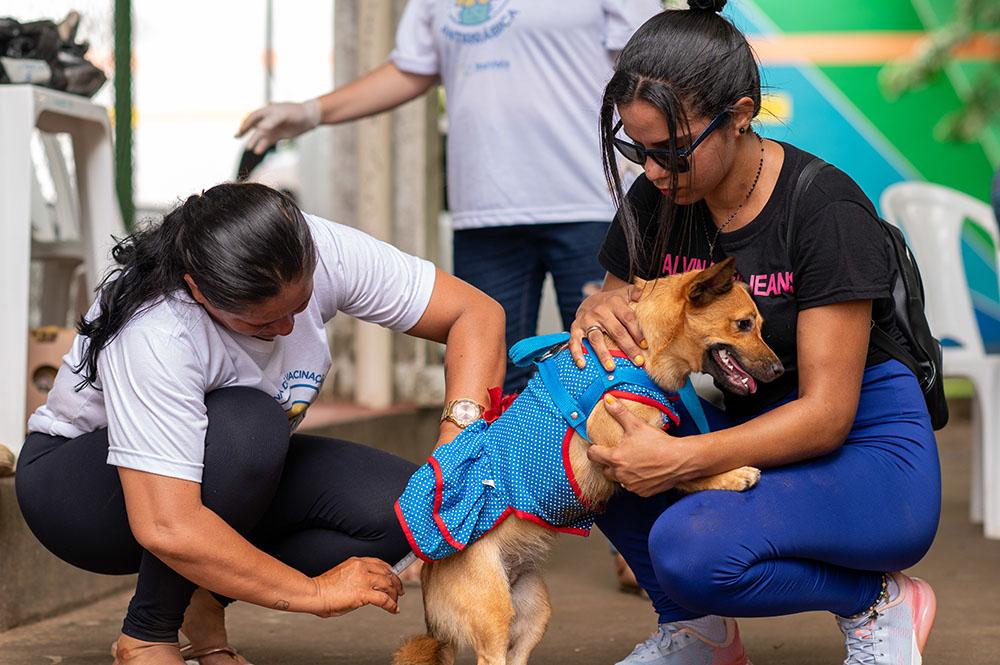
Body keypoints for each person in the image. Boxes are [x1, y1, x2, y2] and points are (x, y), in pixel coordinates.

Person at [568, 2, 941, 664]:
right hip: (746, 422)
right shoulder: (659, 201)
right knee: (586, 438)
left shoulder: (823, 206)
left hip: (863, 449)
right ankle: (698, 632)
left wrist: (682, 460)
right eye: (639, 150)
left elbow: (827, 415)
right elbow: (617, 318)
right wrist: (592, 314)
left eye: (673, 150)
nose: (653, 172)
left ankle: (877, 600)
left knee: (691, 546)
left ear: (740, 114)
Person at [15, 183, 506, 665]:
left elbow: (476, 314)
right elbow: (166, 525)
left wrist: (453, 445)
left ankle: (202, 598)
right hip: (82, 495)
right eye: (262, 324)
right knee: (249, 425)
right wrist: (314, 593)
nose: (288, 329)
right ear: (199, 290)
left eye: (299, 305)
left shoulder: (308, 246)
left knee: (415, 508)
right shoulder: (158, 329)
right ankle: (146, 635)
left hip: (223, 477)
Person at [235, 0, 659, 394]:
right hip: (484, 210)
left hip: (589, 203)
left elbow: (655, 60)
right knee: (494, 374)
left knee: (608, 363)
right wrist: (311, 112)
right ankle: (497, 476)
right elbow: (411, 68)